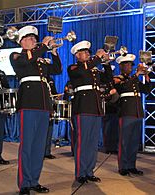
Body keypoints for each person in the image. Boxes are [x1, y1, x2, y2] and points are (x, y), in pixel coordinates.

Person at [10, 25, 62, 195]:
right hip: (28, 103)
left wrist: (53, 52)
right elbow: (26, 61)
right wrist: (44, 47)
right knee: (27, 145)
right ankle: (24, 183)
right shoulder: (17, 56)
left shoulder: (40, 58)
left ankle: (34, 180)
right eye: (30, 38)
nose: (34, 41)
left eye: (34, 38)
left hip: (43, 104)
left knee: (39, 146)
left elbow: (57, 70)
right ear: (22, 41)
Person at [67, 40, 112, 184]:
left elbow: (108, 79)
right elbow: (82, 71)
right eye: (84, 52)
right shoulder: (74, 68)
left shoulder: (94, 69)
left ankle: (89, 171)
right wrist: (97, 58)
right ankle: (80, 172)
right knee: (83, 141)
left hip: (95, 107)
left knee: (93, 142)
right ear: (77, 55)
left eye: (88, 52)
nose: (87, 54)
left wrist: (105, 63)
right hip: (83, 107)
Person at [114, 54, 152, 176]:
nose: (130, 67)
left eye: (131, 64)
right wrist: (136, 75)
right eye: (127, 64)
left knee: (134, 142)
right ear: (121, 66)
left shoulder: (134, 80)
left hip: (137, 112)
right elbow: (124, 87)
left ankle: (131, 165)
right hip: (126, 112)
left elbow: (146, 89)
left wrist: (146, 75)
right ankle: (123, 166)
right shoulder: (118, 78)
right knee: (124, 141)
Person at [44, 76, 58, 159]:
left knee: (49, 129)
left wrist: (56, 96)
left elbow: (54, 92)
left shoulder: (50, 79)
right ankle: (40, 152)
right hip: (43, 106)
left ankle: (47, 152)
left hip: (50, 106)